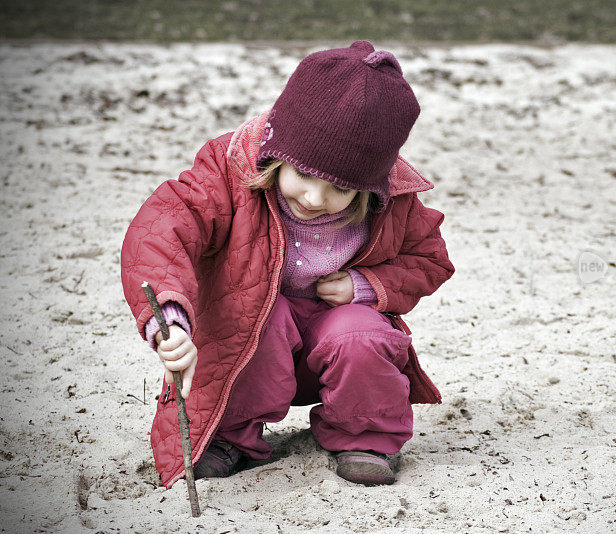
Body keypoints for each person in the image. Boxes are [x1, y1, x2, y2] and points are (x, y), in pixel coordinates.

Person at [120, 40, 455, 488]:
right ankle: (229, 436)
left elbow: (429, 259)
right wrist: (170, 318)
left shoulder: (393, 201)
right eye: (304, 175)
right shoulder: (228, 171)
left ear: (370, 186)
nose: (316, 199)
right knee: (259, 314)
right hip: (253, 342)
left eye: (341, 189)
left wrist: (367, 284)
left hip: (332, 342)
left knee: (361, 332)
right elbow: (162, 231)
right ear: (278, 153)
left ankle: (364, 435)